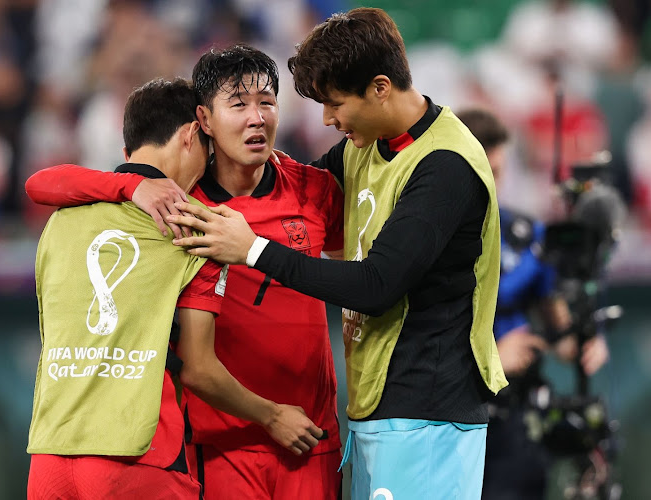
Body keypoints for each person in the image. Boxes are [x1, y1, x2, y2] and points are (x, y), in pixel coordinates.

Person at [164, 8, 508, 500]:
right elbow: (285, 189)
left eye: (335, 103)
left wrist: (254, 250)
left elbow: (376, 286)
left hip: (430, 408)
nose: (327, 119)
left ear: (380, 88)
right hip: (376, 411)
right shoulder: (364, 146)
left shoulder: (445, 165)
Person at [24, 45, 344, 500]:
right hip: (219, 448)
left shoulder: (313, 190)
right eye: (239, 104)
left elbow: (362, 269)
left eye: (267, 102)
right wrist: (134, 184)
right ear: (203, 122)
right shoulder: (179, 211)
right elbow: (42, 183)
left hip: (310, 441)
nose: (257, 117)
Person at [457, 107, 610, 499]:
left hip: (519, 416)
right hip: (458, 415)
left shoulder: (527, 234)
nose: (491, 182)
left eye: (499, 170)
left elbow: (557, 323)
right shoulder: (431, 238)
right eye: (481, 168)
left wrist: (583, 342)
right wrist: (491, 357)